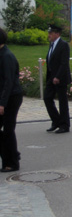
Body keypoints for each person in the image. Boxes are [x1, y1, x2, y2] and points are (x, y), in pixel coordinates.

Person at [0, 28, 23, 172]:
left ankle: (12, 163)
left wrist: (2, 103)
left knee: (8, 130)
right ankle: (12, 155)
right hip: (5, 97)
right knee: (6, 131)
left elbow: (8, 82)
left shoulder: (6, 56)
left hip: (11, 97)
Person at [44, 24, 71, 134]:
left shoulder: (63, 45)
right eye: (49, 33)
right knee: (47, 98)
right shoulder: (51, 45)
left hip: (60, 77)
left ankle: (64, 125)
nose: (49, 35)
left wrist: (58, 76)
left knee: (62, 102)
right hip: (51, 76)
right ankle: (56, 121)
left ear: (57, 34)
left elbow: (64, 63)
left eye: (51, 33)